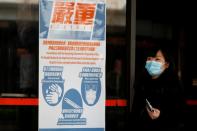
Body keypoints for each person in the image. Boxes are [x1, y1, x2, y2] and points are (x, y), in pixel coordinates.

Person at [131, 46, 185, 131]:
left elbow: (180, 116)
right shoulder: (141, 84)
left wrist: (161, 116)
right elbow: (134, 114)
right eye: (149, 58)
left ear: (166, 64)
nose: (152, 62)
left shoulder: (174, 86)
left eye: (157, 59)